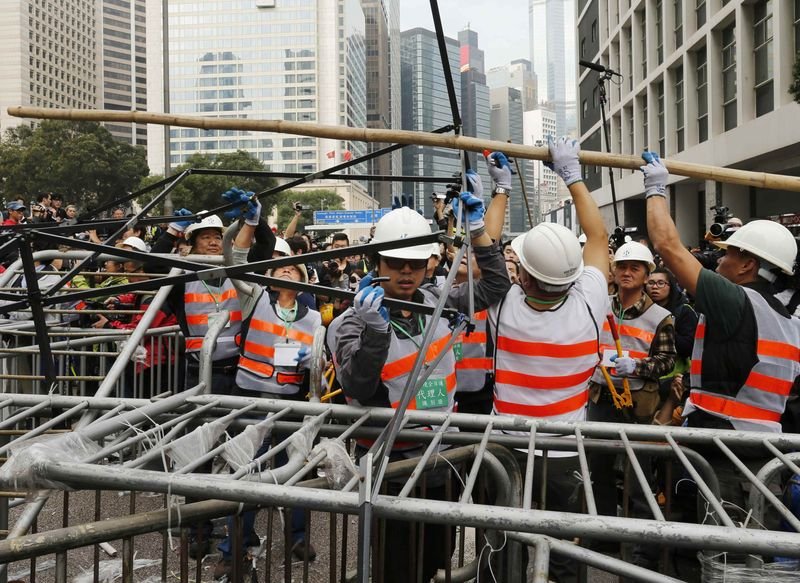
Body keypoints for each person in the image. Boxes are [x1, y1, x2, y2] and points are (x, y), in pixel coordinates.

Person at [327, 191, 511, 583]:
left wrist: (478, 231)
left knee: (433, 561)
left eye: (414, 263)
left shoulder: (439, 299)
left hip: (441, 462)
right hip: (390, 467)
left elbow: (496, 285)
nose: (406, 272)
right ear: (376, 262)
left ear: (427, 263)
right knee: (396, 566)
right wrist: (374, 333)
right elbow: (356, 383)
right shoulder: (350, 322)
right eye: (395, 264)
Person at [642, 151, 800, 524]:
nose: (718, 259)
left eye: (729, 254)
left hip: (725, 451)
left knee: (720, 560)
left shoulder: (738, 300)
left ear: (748, 265)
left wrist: (655, 188)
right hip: (758, 450)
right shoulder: (790, 311)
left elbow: (668, 246)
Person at [486, 138, 609, 582]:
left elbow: (487, 243)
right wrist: (572, 174)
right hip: (565, 453)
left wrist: (499, 189)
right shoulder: (592, 301)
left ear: (521, 273)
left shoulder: (503, 305)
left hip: (504, 448)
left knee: (500, 544)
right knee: (561, 548)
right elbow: (598, 236)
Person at [215, 190, 319, 579]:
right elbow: (236, 262)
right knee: (246, 474)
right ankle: (233, 549)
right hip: (252, 401)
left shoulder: (312, 318)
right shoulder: (256, 297)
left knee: (295, 471)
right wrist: (250, 224)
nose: (286, 269)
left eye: (294, 267)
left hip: (291, 403)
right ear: (270, 278)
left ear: (304, 277)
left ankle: (298, 536)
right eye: (280, 267)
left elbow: (319, 363)